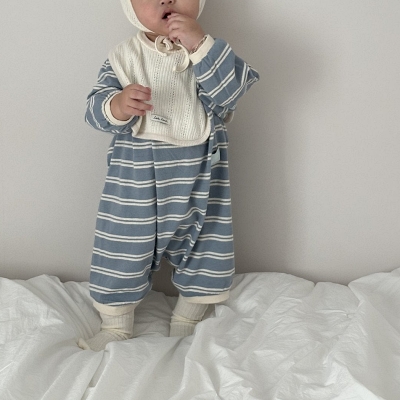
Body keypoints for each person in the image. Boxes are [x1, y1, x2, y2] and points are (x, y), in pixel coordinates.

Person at [78, 0, 259, 351]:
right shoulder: (124, 57)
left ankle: (188, 319)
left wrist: (200, 45)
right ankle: (115, 325)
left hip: (200, 177)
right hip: (134, 179)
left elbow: (232, 93)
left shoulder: (208, 52)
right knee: (120, 246)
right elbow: (93, 111)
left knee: (206, 244)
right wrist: (118, 105)